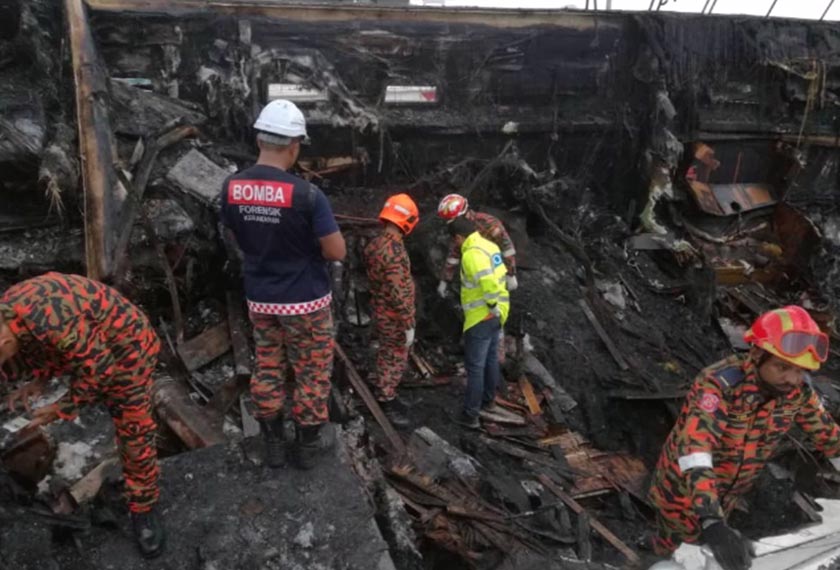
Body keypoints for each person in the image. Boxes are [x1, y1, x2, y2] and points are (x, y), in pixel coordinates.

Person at [648, 306, 840, 570]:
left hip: (727, 496)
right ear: (758, 355)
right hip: (683, 495)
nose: (792, 379)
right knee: (677, 558)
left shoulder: (798, 394)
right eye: (782, 367)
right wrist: (711, 521)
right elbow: (695, 449)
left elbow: (831, 440)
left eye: (799, 371)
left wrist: (717, 521)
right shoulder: (719, 385)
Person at [219, 99, 346, 470]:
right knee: (311, 368)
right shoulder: (307, 195)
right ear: (294, 146)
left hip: (260, 297)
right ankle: (306, 447)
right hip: (305, 299)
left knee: (269, 366)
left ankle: (272, 442)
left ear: (260, 140)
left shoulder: (232, 187)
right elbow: (335, 249)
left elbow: (232, 235)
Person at [0, 272, 164, 558]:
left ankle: (144, 507)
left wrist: (59, 409)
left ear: (4, 342)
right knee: (40, 365)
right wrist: (39, 380)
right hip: (85, 342)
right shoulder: (9, 314)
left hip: (127, 348)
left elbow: (101, 370)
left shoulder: (51, 321)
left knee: (134, 430)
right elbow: (38, 346)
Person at [362, 194, 419, 428]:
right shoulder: (394, 251)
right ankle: (386, 398)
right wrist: (408, 323)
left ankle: (386, 389)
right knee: (394, 356)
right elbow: (399, 291)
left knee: (386, 352)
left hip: (380, 308)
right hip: (394, 316)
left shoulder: (375, 244)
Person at [447, 217, 510, 429]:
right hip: (499, 313)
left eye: (454, 240)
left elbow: (487, 281)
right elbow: (501, 274)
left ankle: (471, 415)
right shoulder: (490, 246)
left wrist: (491, 304)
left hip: (481, 316)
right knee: (491, 360)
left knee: (475, 367)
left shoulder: (471, 254)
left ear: (458, 237)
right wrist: (498, 308)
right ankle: (488, 402)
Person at [435, 193, 517, 297]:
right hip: (477, 272)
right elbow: (453, 256)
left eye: (452, 221)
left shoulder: (488, 223)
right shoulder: (458, 230)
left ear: (463, 215)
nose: (451, 225)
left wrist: (511, 274)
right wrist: (445, 281)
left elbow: (507, 248)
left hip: (496, 267)